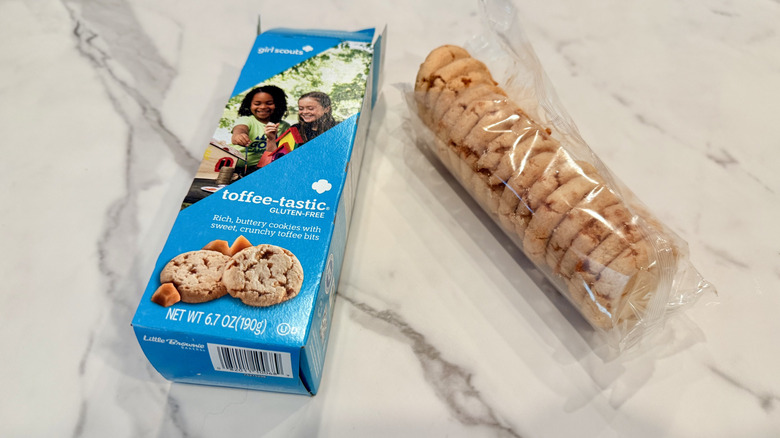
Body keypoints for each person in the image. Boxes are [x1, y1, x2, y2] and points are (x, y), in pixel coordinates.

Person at [230, 85, 290, 175]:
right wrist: (239, 136)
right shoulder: (247, 120)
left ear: (278, 104)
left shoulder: (284, 127)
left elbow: (277, 156)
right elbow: (239, 129)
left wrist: (271, 139)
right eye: (257, 104)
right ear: (249, 105)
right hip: (234, 167)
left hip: (259, 169)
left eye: (269, 103)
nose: (262, 107)